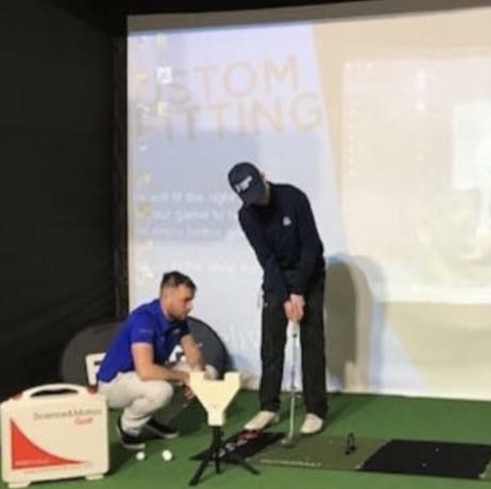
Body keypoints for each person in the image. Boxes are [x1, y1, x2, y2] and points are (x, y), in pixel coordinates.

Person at [227, 161, 328, 435]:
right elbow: (267, 259)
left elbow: (311, 247)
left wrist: (299, 292)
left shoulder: (293, 198)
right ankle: (268, 407)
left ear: (263, 177)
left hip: (309, 272)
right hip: (277, 277)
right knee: (271, 342)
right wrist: (284, 297)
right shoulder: (247, 215)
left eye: (258, 192)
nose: (258, 200)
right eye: (250, 198)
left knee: (312, 340)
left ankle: (316, 409)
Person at [96, 271, 216, 450]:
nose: (190, 306)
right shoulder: (144, 319)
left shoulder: (178, 319)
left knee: (208, 374)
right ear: (167, 296)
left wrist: (197, 376)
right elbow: (146, 371)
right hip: (114, 384)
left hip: (141, 378)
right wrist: (185, 377)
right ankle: (128, 427)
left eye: (191, 300)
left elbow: (192, 351)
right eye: (185, 300)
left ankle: (155, 420)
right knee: (161, 390)